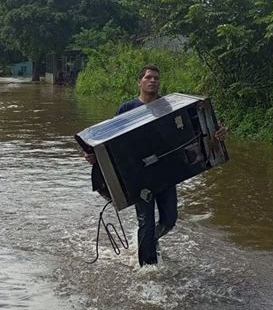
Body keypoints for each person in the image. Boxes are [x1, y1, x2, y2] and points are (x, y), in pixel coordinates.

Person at [83, 64, 227, 267]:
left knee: (169, 220)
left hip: (166, 173)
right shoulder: (127, 109)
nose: (153, 81)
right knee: (146, 222)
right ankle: (148, 269)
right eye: (148, 77)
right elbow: (109, 142)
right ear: (139, 82)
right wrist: (94, 158)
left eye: (156, 78)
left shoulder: (169, 106)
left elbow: (193, 127)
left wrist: (217, 132)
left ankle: (150, 241)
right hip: (140, 178)